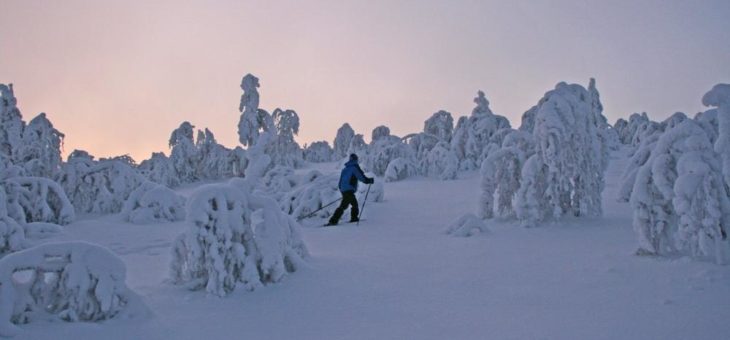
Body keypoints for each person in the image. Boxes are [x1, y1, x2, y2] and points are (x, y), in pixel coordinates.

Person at [326, 153, 374, 226]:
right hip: (349, 190)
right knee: (344, 205)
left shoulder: (345, 169)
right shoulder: (355, 168)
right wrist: (368, 180)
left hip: (344, 190)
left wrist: (342, 190)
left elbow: (340, 181)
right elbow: (361, 177)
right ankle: (333, 221)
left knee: (354, 203)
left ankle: (354, 218)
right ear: (355, 159)